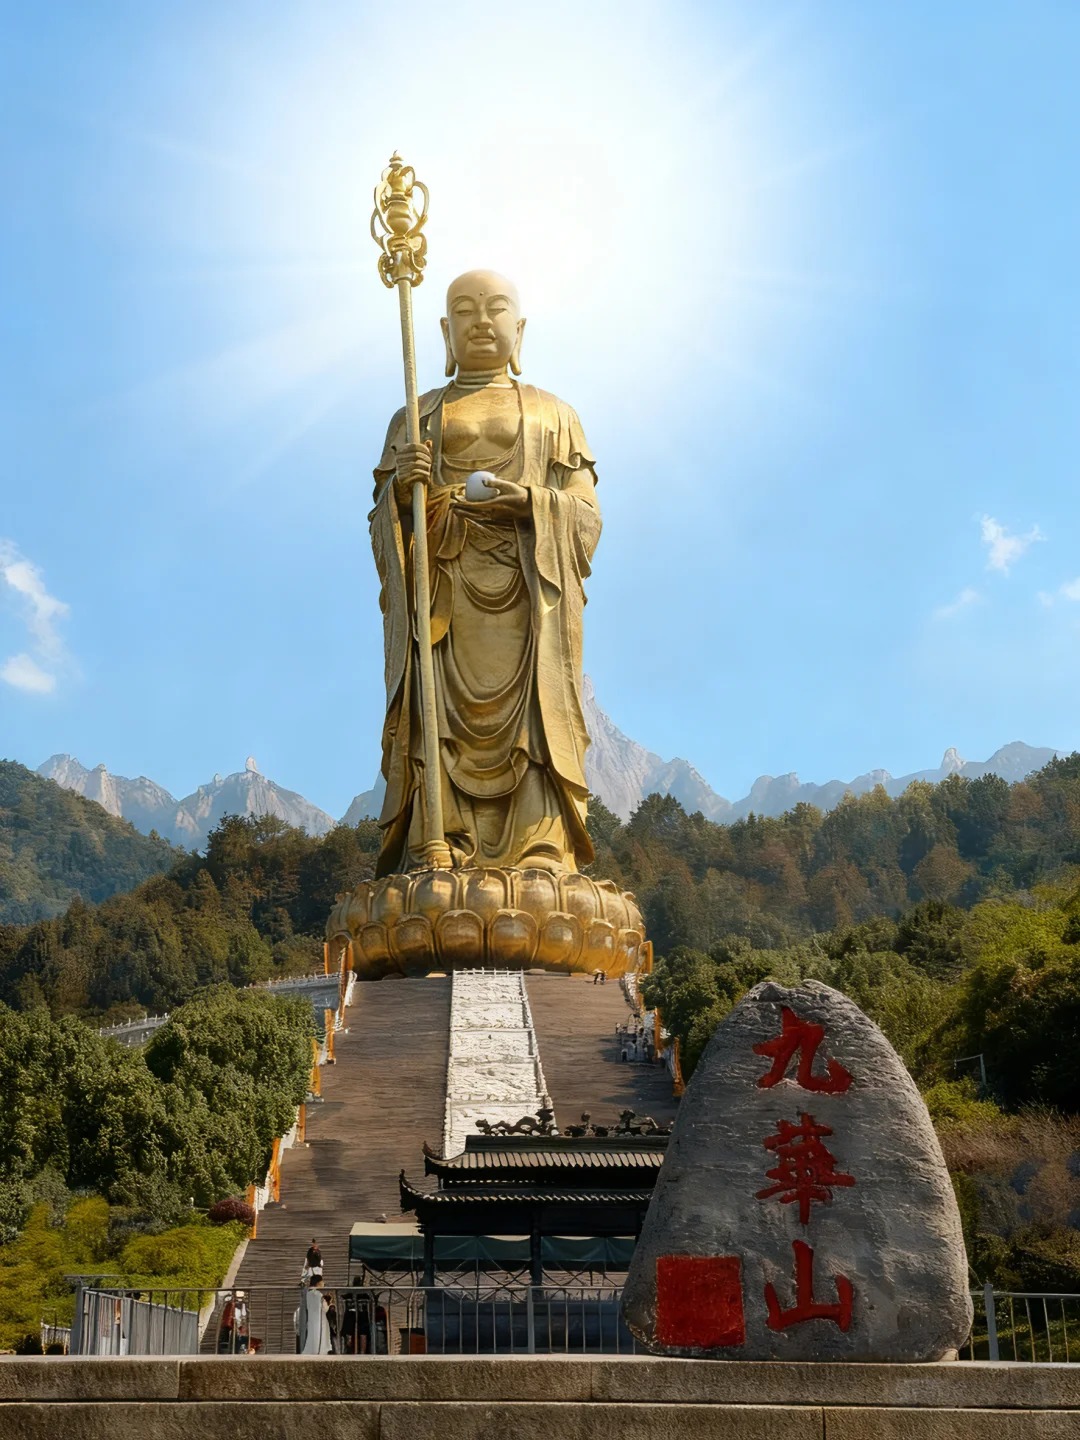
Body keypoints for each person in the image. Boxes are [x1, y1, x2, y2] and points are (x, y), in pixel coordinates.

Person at [371, 269, 601, 876]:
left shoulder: (556, 417)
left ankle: (542, 851)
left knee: (534, 724)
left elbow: (586, 516)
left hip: (529, 602)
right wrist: (403, 491)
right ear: (445, 332)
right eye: (465, 311)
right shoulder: (414, 419)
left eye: (496, 309)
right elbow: (384, 531)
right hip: (444, 605)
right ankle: (436, 843)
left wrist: (530, 504)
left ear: (518, 329)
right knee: (436, 723)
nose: (481, 321)